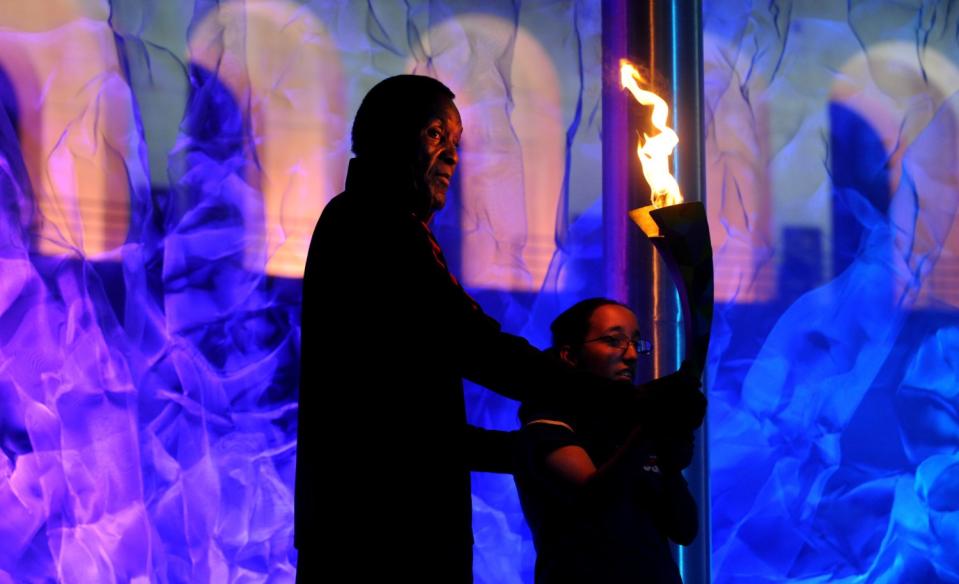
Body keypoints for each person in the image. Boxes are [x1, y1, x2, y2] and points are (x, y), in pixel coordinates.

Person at [295, 75, 705, 582]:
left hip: (386, 531)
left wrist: (535, 450)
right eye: (434, 134)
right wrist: (633, 405)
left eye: (456, 142)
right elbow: (477, 348)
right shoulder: (372, 226)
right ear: (386, 136)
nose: (451, 157)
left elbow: (410, 428)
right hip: (380, 539)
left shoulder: (380, 226)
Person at [515, 298, 699, 583]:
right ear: (570, 355)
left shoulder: (630, 427)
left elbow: (684, 529)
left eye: (636, 344)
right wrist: (651, 426)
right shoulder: (546, 425)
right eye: (614, 341)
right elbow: (597, 504)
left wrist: (672, 461)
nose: (632, 355)